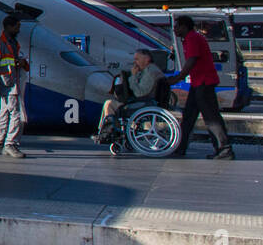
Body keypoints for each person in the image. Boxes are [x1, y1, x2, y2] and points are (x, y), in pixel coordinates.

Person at [166, 15, 234, 160]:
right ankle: (180, 147)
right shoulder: (189, 39)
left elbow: (192, 60)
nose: (174, 29)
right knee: (188, 117)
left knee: (211, 118)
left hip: (204, 83)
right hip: (197, 83)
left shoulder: (193, 38)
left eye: (177, 26)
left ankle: (224, 149)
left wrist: (178, 78)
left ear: (184, 26)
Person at [94, 48, 165, 142]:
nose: (135, 62)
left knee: (109, 103)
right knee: (111, 103)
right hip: (146, 101)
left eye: (137, 59)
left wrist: (133, 76)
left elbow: (140, 93)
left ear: (147, 59)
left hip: (144, 104)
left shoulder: (150, 72)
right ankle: (106, 131)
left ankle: (109, 132)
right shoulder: (150, 70)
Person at [0, 14, 30, 158]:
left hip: (9, 83)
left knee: (4, 114)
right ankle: (11, 144)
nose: (18, 29)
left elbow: (7, 63)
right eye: (17, 26)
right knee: (16, 114)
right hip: (8, 85)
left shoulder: (12, 43)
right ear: (9, 27)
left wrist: (20, 62)